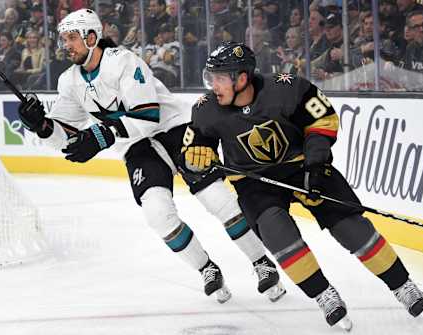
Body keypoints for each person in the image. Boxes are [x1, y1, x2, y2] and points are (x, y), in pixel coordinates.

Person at [16, 9, 285, 304]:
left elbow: (148, 116)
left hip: (174, 130)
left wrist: (101, 135)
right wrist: (42, 126)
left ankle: (261, 262)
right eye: (63, 39)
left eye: (71, 38)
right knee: (157, 214)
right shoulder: (69, 81)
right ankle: (207, 268)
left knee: (217, 199)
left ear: (91, 37)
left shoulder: (123, 62)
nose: (65, 45)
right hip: (137, 148)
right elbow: (66, 140)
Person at [181, 41, 423, 329]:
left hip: (303, 167)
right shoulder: (205, 110)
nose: (213, 85)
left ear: (242, 78)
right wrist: (196, 158)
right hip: (254, 183)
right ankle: (324, 295)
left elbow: (322, 120)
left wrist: (315, 166)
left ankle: (403, 286)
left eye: (220, 78)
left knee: (351, 227)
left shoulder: (287, 88)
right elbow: (194, 151)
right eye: (210, 77)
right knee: (277, 233)